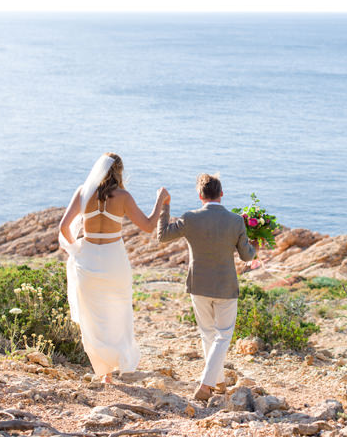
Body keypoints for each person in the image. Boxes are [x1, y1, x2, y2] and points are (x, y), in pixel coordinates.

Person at [59, 153, 169, 384]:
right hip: (114, 262)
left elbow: (64, 227)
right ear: (119, 171)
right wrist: (161, 199)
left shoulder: (83, 193)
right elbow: (149, 226)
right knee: (118, 313)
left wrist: (75, 248)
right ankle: (120, 361)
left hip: (87, 259)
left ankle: (104, 372)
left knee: (93, 318)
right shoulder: (123, 197)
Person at [157, 173, 257, 400]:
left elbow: (162, 236)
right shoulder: (236, 221)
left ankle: (218, 382)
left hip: (198, 284)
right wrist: (255, 246)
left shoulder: (190, 218)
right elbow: (246, 256)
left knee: (208, 334)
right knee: (223, 335)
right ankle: (206, 384)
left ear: (200, 195)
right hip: (225, 286)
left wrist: (165, 207)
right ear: (221, 194)